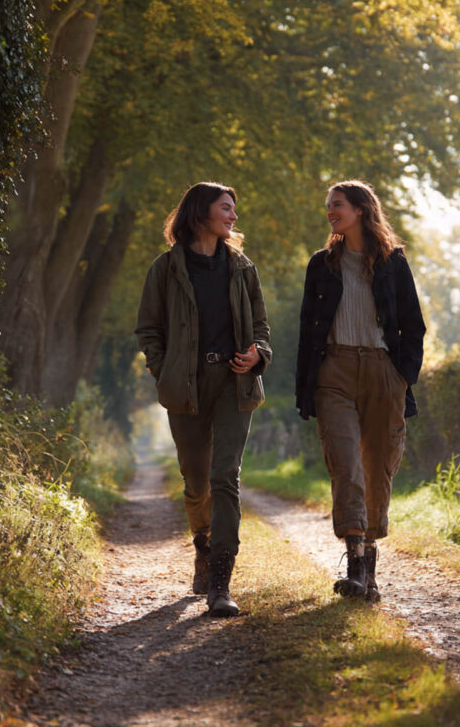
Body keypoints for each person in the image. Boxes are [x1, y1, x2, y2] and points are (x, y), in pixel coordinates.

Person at [135, 181, 272, 617]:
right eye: (226, 208)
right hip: (187, 386)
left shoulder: (243, 267)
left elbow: (262, 327)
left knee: (224, 476)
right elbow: (148, 329)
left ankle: (220, 582)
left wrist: (258, 353)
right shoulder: (165, 268)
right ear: (200, 213)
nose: (233, 216)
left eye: (233, 209)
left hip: (235, 383)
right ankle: (203, 543)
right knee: (196, 480)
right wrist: (164, 368)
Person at [295, 179, 425, 602]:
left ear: (361, 210)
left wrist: (402, 376)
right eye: (328, 205)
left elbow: (414, 325)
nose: (330, 211)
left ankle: (369, 567)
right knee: (345, 462)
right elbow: (307, 329)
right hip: (334, 370)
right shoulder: (321, 265)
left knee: (377, 467)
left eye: (337, 204)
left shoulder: (393, 263)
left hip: (383, 371)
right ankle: (353, 565)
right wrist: (305, 386)